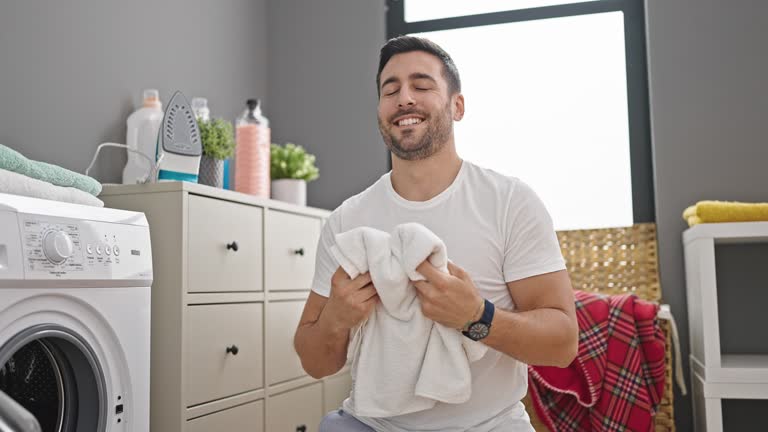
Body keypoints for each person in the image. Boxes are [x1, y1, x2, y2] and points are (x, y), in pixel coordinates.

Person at [294, 35, 578, 432]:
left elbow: (564, 344)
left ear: (457, 106)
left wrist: (477, 318)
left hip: (489, 425)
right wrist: (336, 319)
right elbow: (314, 362)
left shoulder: (510, 202)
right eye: (389, 90)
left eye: (421, 86)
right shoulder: (347, 222)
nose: (404, 98)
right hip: (373, 425)